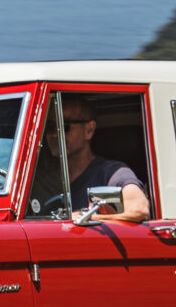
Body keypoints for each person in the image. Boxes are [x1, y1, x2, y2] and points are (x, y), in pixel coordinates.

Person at [60, 94, 150, 222]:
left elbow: (139, 210)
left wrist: (85, 218)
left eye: (64, 126)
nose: (53, 133)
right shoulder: (37, 177)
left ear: (89, 130)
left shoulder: (113, 172)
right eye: (49, 126)